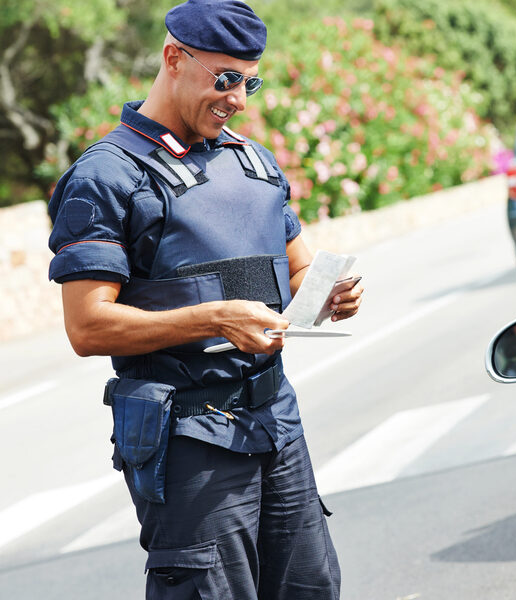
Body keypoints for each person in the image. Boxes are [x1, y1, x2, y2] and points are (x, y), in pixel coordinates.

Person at [45, 1, 361, 598]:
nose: (238, 98)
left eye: (248, 81)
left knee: (311, 588)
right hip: (189, 440)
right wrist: (216, 318)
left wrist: (330, 295)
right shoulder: (106, 177)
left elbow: (295, 271)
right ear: (173, 58)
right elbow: (87, 328)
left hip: (276, 423)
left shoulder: (253, 161)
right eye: (225, 79)